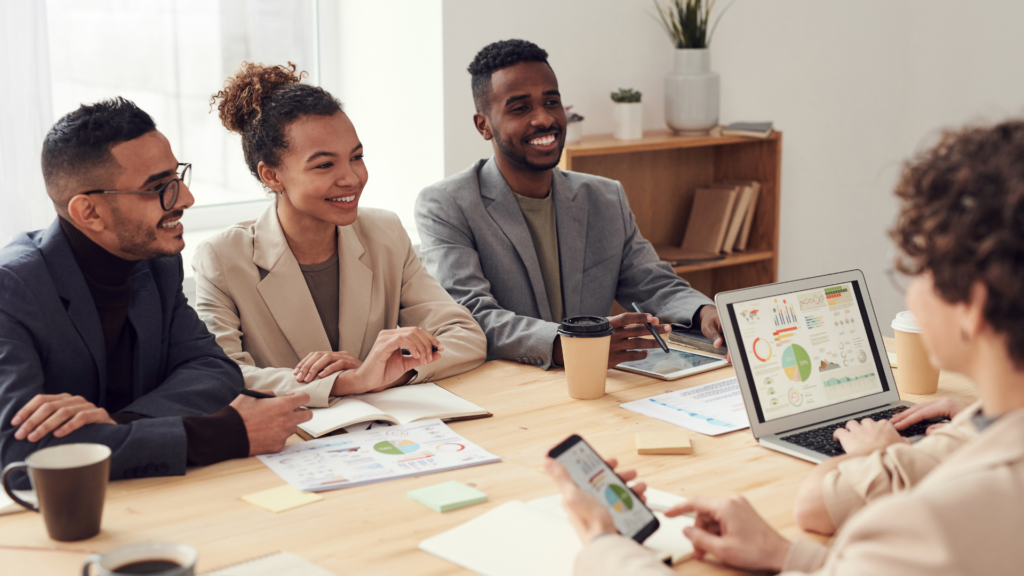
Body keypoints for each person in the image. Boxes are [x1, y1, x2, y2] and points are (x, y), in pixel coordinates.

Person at [545, 119, 1024, 575]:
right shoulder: (983, 439)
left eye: (920, 269)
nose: (912, 291)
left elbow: (851, 522)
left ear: (972, 307)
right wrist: (784, 555)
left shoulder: (922, 523)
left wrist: (603, 544)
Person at [0, 98, 311, 487]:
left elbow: (215, 372)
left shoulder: (158, 262)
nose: (185, 199)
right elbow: (18, 456)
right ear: (89, 213)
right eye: (158, 187)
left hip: (151, 493)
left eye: (177, 177)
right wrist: (222, 433)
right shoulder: (11, 289)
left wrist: (115, 424)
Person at [415, 40, 724, 370]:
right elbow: (472, 313)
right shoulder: (446, 205)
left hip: (599, 387)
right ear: (484, 125)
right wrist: (571, 345)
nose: (544, 119)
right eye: (520, 108)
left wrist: (705, 312)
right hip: (510, 390)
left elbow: (653, 282)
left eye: (551, 102)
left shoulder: (605, 198)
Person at [194, 63, 486, 408]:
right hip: (292, 441)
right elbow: (222, 374)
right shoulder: (223, 257)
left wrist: (392, 372)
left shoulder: (385, 233)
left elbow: (466, 336)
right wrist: (348, 382)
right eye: (324, 165)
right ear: (271, 176)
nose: (352, 178)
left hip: (390, 432)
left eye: (356, 157)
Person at [792, 396, 973, 535]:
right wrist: (973, 415)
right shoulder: (983, 422)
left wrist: (871, 448)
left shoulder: (968, 442)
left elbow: (810, 506)